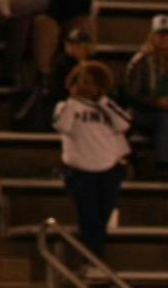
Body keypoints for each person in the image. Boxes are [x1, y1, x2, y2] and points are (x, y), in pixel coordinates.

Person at [53, 61, 130, 261]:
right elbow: (61, 125)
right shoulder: (66, 106)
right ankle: (94, 260)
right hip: (80, 170)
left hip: (109, 169)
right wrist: (73, 99)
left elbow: (124, 123)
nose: (88, 87)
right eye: (83, 82)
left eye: (93, 83)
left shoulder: (107, 106)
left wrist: (103, 101)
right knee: (89, 217)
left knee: (102, 216)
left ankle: (94, 258)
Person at [122, 14, 168, 182]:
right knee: (166, 120)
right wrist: (155, 102)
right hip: (145, 113)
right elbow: (131, 94)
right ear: (152, 37)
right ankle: (163, 166)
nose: (164, 38)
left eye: (167, 34)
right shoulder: (140, 61)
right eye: (160, 34)